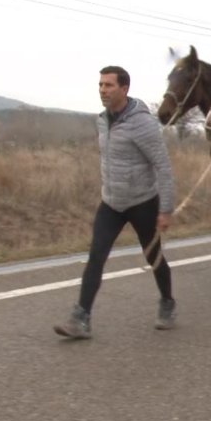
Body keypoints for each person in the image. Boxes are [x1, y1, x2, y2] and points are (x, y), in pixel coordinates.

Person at [54, 66, 176, 339]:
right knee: (96, 255)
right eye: (100, 85)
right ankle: (81, 318)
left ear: (124, 89)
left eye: (109, 85)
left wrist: (166, 209)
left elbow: (163, 166)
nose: (102, 90)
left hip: (142, 202)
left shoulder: (142, 124)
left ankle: (167, 302)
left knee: (153, 255)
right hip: (111, 202)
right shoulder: (102, 120)